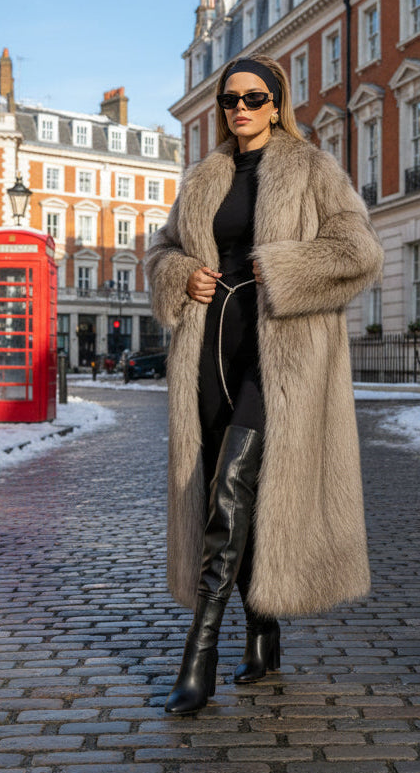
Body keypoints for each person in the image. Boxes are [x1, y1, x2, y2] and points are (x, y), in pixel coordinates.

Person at [145, 54, 384, 715]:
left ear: (277, 104)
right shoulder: (204, 178)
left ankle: (199, 655)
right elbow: (161, 251)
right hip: (211, 349)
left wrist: (283, 266)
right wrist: (180, 274)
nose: (241, 109)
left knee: (229, 490)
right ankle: (263, 631)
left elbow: (359, 252)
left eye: (254, 98)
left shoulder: (313, 170)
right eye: (230, 100)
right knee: (233, 491)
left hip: (282, 357)